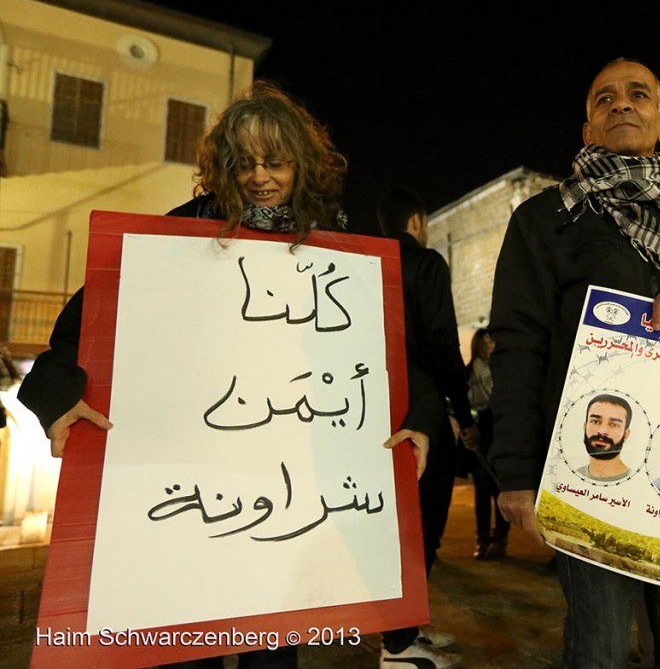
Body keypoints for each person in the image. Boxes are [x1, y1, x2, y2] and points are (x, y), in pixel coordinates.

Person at [18, 82, 438, 669]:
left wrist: (419, 415)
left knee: (274, 650)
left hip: (292, 499)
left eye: (276, 162)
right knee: (189, 648)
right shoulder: (175, 239)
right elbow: (84, 325)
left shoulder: (336, 253)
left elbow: (386, 356)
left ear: (302, 163)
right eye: (244, 163)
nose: (260, 177)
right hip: (196, 495)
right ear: (222, 167)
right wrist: (59, 396)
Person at [488, 58, 660, 668]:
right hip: (589, 470)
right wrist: (513, 472)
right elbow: (519, 343)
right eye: (603, 99)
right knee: (600, 645)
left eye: (638, 95)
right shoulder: (547, 219)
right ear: (587, 131)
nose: (622, 104)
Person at [377, 187, 477, 668]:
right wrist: (461, 407)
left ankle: (405, 626)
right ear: (417, 221)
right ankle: (397, 645)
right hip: (421, 410)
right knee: (425, 524)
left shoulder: (366, 264)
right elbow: (440, 340)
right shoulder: (425, 263)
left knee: (393, 524)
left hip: (372, 407)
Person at [465, 328, 509, 560]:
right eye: (485, 341)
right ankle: (482, 539)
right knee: (482, 490)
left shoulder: (502, 368)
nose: (489, 345)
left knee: (500, 488)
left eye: (492, 340)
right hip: (481, 428)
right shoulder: (470, 371)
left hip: (500, 428)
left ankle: (500, 538)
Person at [577, 393, 633, 482]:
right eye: (595, 421)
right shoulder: (573, 476)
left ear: (626, 434)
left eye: (614, 425)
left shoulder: (634, 481)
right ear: (585, 427)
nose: (602, 431)